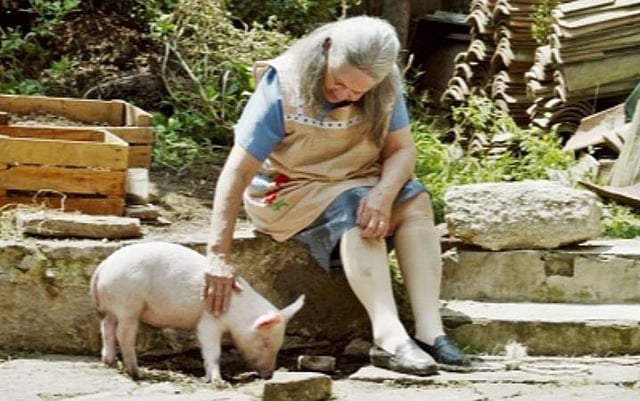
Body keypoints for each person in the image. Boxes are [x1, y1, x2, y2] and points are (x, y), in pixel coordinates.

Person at [202, 15, 470, 376]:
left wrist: (384, 193)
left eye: (358, 92)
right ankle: (389, 336)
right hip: (289, 189)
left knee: (415, 202)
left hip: (356, 179)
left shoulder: (385, 83)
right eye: (339, 83)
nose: (344, 95)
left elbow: (402, 150)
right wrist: (218, 255)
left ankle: (429, 331)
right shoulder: (283, 83)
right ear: (327, 49)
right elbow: (237, 172)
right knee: (357, 208)